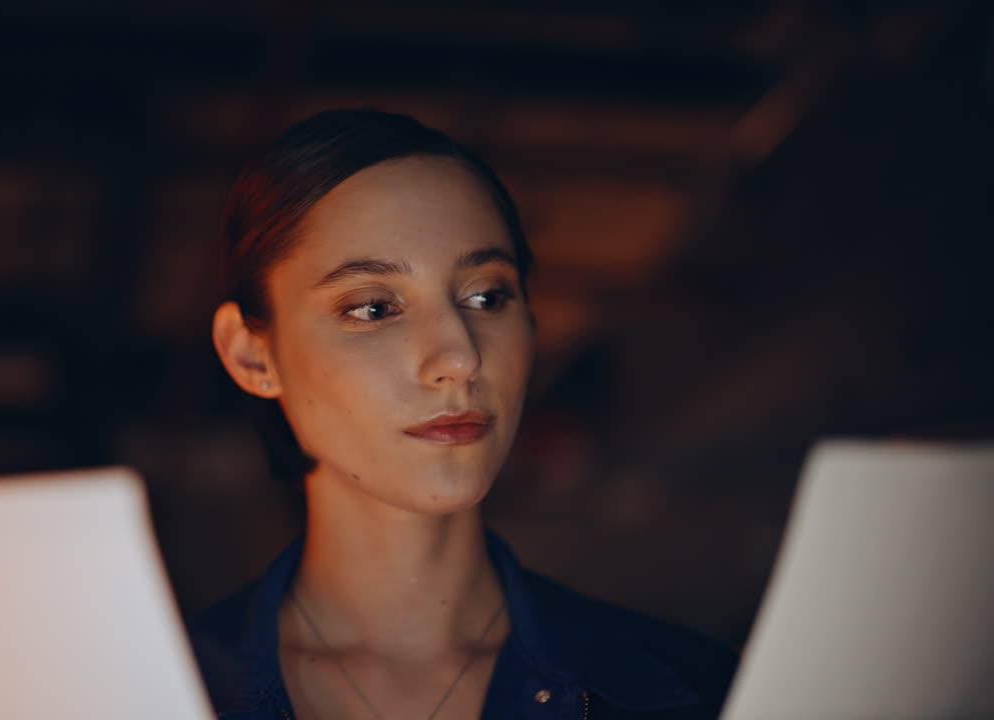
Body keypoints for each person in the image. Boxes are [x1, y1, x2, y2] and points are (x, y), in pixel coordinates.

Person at [187, 109, 737, 720]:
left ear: (529, 321)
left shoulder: (703, 693)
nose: (460, 357)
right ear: (251, 354)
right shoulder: (146, 694)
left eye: (486, 296)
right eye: (372, 309)